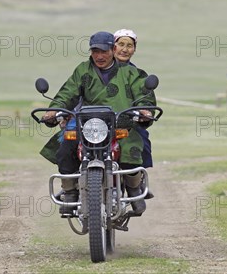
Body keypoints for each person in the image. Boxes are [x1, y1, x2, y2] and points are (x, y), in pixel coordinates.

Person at [41, 31, 156, 214]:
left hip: (121, 123)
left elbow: (142, 94)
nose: (99, 56)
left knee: (132, 146)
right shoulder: (83, 70)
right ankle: (70, 191)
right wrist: (54, 110)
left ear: (112, 49)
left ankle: (133, 188)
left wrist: (144, 110)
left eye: (104, 51)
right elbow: (67, 93)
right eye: (95, 51)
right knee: (66, 146)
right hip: (89, 124)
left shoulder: (131, 72)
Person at [113, 29, 154, 199]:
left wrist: (145, 111)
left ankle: (135, 185)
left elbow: (145, 98)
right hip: (98, 123)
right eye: (121, 44)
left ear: (134, 49)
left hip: (127, 123)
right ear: (113, 47)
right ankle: (70, 185)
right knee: (69, 141)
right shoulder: (97, 70)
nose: (125, 49)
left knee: (141, 141)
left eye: (129, 45)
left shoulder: (138, 75)